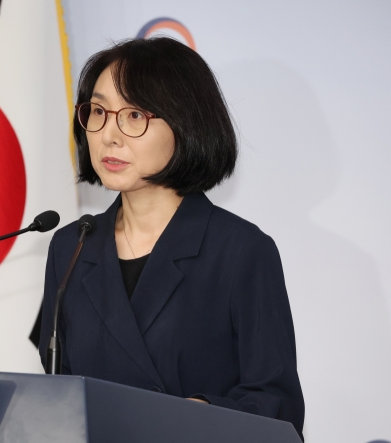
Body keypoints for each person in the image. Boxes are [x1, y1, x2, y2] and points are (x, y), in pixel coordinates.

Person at [38, 37, 305, 437]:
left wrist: (197, 416)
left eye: (134, 115)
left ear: (185, 124)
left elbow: (276, 404)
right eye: (98, 111)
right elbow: (58, 391)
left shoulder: (240, 251)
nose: (110, 134)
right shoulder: (72, 246)